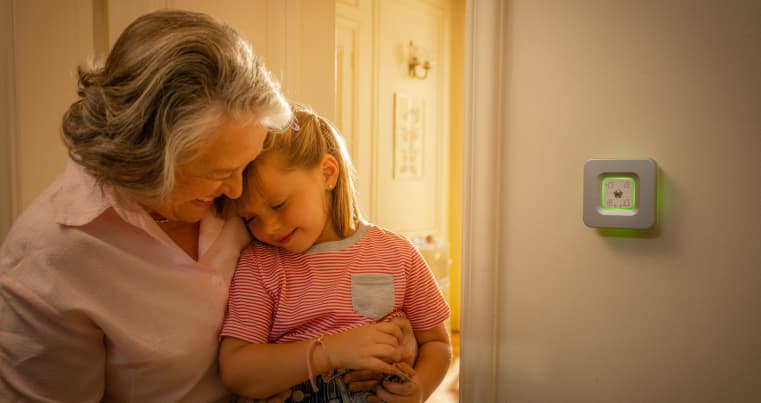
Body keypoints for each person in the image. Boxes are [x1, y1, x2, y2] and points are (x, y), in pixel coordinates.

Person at [0, 9, 294, 402]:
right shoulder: (49, 258)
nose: (239, 192)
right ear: (147, 156)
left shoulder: (241, 191)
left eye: (246, 165)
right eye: (218, 172)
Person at [218, 106, 452, 403]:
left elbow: (437, 343)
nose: (269, 228)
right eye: (250, 219)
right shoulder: (260, 265)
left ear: (327, 173)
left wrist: (420, 390)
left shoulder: (398, 253)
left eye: (278, 205)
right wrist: (334, 350)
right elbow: (237, 370)